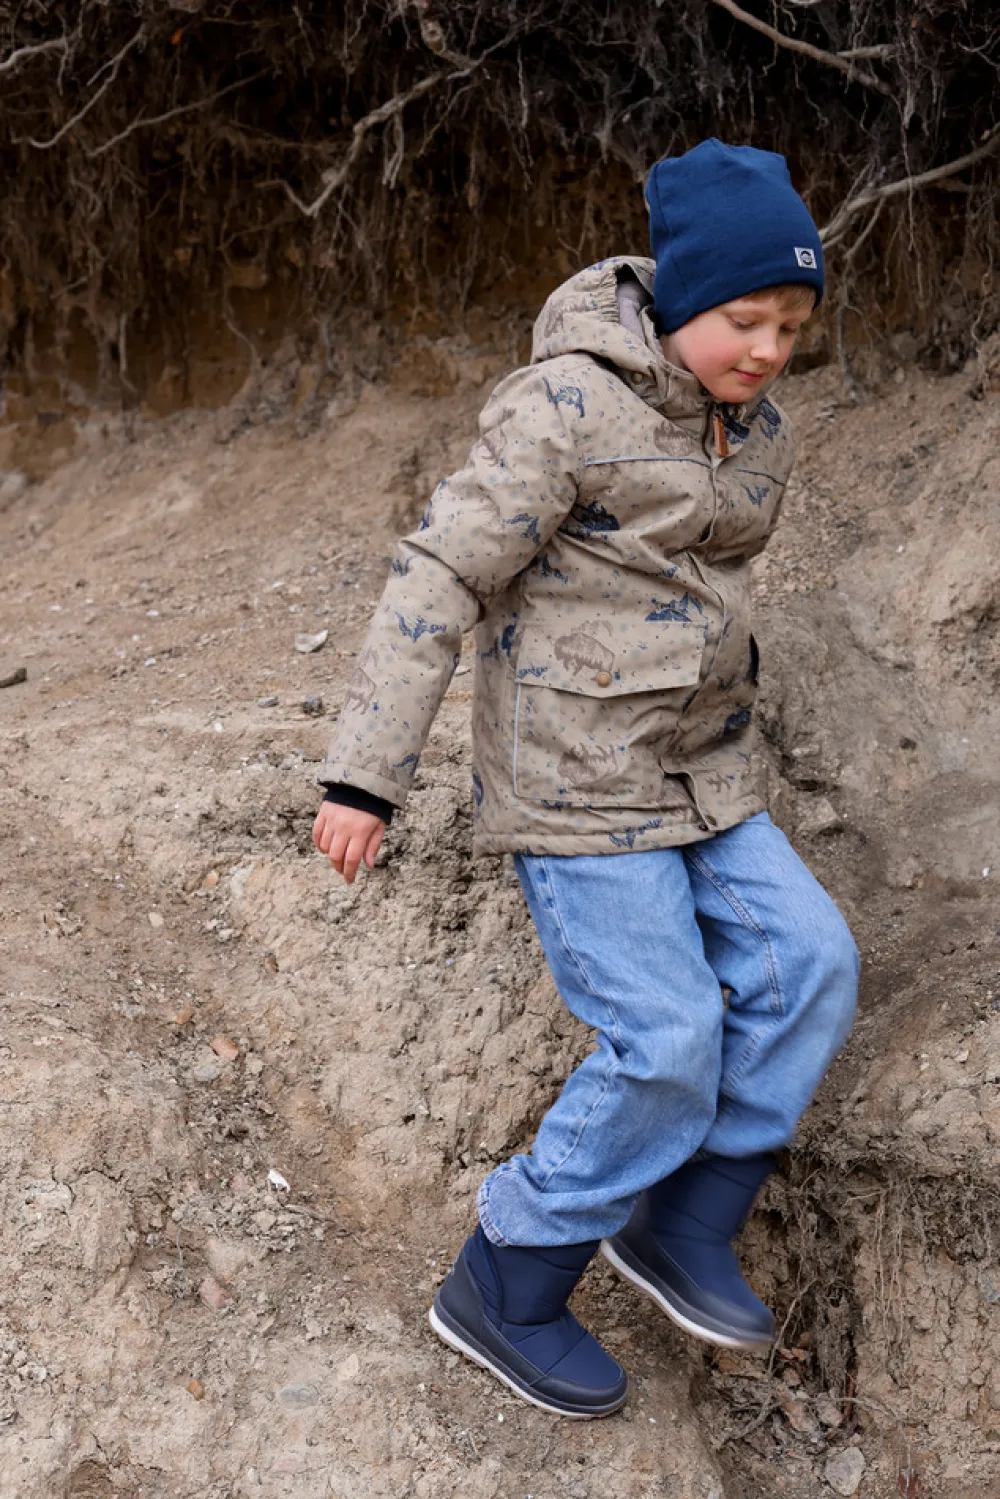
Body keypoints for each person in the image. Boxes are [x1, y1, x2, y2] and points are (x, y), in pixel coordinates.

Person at [312, 138, 859, 1420]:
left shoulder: (756, 430)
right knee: (667, 1037)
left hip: (703, 773)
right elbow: (442, 572)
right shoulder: (562, 407)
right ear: (678, 299)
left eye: (791, 321)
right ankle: (507, 1277)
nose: (770, 347)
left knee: (813, 962)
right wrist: (364, 775)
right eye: (743, 318)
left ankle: (682, 1221)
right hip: (574, 785)